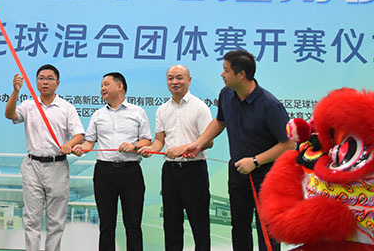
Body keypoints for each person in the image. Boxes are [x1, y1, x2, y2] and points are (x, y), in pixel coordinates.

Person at [172, 49, 293, 251]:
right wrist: (198, 143)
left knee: (267, 229)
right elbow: (220, 122)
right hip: (237, 171)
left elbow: (288, 145)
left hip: (267, 174)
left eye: (226, 70)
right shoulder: (226, 94)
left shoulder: (270, 105)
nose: (222, 74)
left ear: (241, 74)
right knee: (239, 226)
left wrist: (255, 161)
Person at [4, 64, 84, 251]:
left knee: (56, 220)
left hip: (57, 166)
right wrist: (15, 91)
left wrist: (69, 144)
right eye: (41, 78)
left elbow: (79, 134)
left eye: (49, 78)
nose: (45, 82)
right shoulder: (28, 105)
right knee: (31, 219)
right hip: (32, 166)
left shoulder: (66, 108)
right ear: (36, 82)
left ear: (57, 83)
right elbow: (10, 115)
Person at [73, 72, 152, 251]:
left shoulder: (137, 112)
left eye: (106, 84)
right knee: (106, 225)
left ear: (120, 86)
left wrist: (133, 145)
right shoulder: (98, 115)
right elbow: (89, 142)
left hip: (130, 172)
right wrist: (80, 149)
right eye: (101, 85)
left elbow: (147, 141)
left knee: (133, 224)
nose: (102, 88)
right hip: (104, 173)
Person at [138, 65, 212, 251]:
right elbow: (159, 141)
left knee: (199, 223)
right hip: (170, 171)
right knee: (171, 224)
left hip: (194, 170)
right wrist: (150, 149)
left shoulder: (200, 107)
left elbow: (209, 141)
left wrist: (184, 148)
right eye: (170, 78)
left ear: (189, 80)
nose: (175, 82)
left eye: (179, 77)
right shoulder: (162, 109)